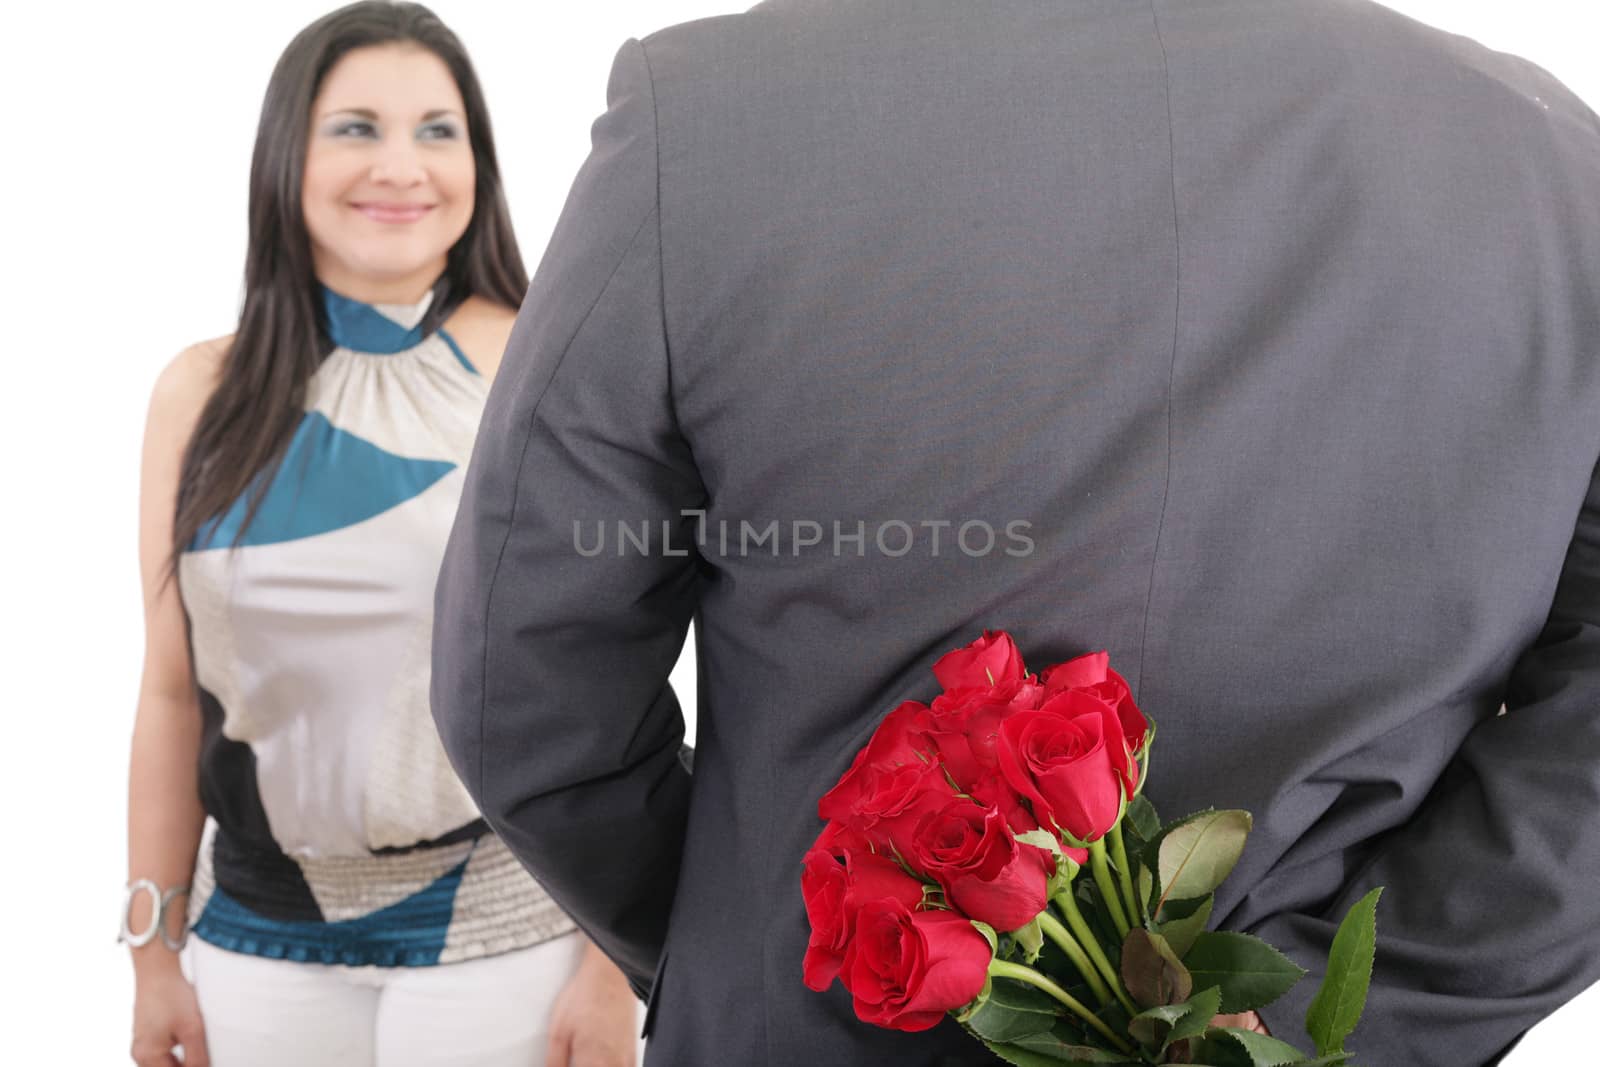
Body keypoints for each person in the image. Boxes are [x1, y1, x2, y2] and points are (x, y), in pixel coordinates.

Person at [429, 0, 1600, 1064]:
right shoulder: (1551, 158)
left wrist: (764, 942)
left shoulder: (706, 115)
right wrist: (1340, 1017)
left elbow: (520, 689)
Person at [123, 4, 640, 1065]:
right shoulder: (197, 390)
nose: (400, 165)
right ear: (287, 155)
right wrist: (151, 952)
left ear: (479, 162)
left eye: (437, 129)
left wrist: (611, 961)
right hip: (256, 942)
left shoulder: (539, 365)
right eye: (355, 126)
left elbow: (612, 680)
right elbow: (172, 691)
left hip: (504, 939)